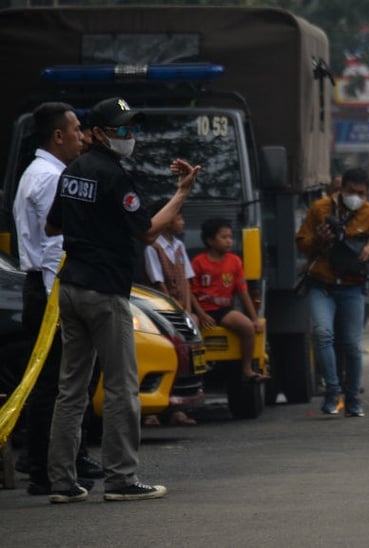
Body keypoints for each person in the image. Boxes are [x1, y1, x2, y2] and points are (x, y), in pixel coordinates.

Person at [45, 96, 200, 503]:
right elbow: (148, 232)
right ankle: (121, 479)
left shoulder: (73, 170)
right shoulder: (114, 176)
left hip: (71, 288)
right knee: (121, 388)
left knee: (71, 389)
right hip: (105, 292)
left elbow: (51, 224)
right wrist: (182, 192)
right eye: (121, 129)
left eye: (132, 128)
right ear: (97, 132)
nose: (129, 136)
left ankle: (61, 481)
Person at [12, 101, 105, 496]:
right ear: (58, 135)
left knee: (73, 380)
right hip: (51, 289)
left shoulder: (48, 173)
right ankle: (45, 469)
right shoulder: (50, 178)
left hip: (50, 287)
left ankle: (71, 455)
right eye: (78, 129)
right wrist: (61, 301)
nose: (83, 136)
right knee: (56, 384)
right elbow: (54, 246)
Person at [296, 167, 369, 417]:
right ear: (341, 189)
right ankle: (332, 390)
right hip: (322, 284)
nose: (355, 196)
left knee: (352, 344)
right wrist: (319, 239)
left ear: (367, 192)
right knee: (323, 335)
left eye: (361, 193)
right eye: (351, 191)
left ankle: (352, 398)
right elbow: (301, 242)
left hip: (353, 286)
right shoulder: (320, 209)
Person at [190, 217, 267, 383]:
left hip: (223, 310)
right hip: (201, 309)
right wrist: (202, 315)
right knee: (191, 328)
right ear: (210, 240)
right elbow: (191, 292)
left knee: (247, 327)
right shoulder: (198, 262)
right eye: (223, 237)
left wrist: (254, 319)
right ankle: (193, 373)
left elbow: (243, 292)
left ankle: (247, 368)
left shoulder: (235, 262)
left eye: (230, 237)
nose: (229, 241)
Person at [142, 200, 198, 426]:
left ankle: (179, 407)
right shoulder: (152, 247)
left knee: (186, 358)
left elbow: (185, 280)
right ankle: (152, 411)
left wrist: (189, 311)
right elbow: (159, 284)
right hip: (161, 312)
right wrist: (175, 310)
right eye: (178, 218)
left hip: (180, 310)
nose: (182, 222)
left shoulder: (179, 247)